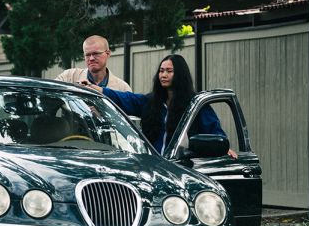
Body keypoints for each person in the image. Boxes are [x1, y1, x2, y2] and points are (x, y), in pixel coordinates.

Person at [94, 54, 236, 156]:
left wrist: (222, 147)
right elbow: (126, 99)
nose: (163, 75)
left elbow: (216, 135)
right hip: (152, 166)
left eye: (169, 71)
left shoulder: (195, 105)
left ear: (180, 74)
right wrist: (99, 90)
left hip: (184, 167)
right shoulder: (151, 102)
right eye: (161, 71)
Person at [55, 35, 133, 92]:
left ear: (108, 54)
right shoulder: (69, 77)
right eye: (88, 55)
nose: (91, 58)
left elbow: (129, 114)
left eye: (96, 53)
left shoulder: (122, 88)